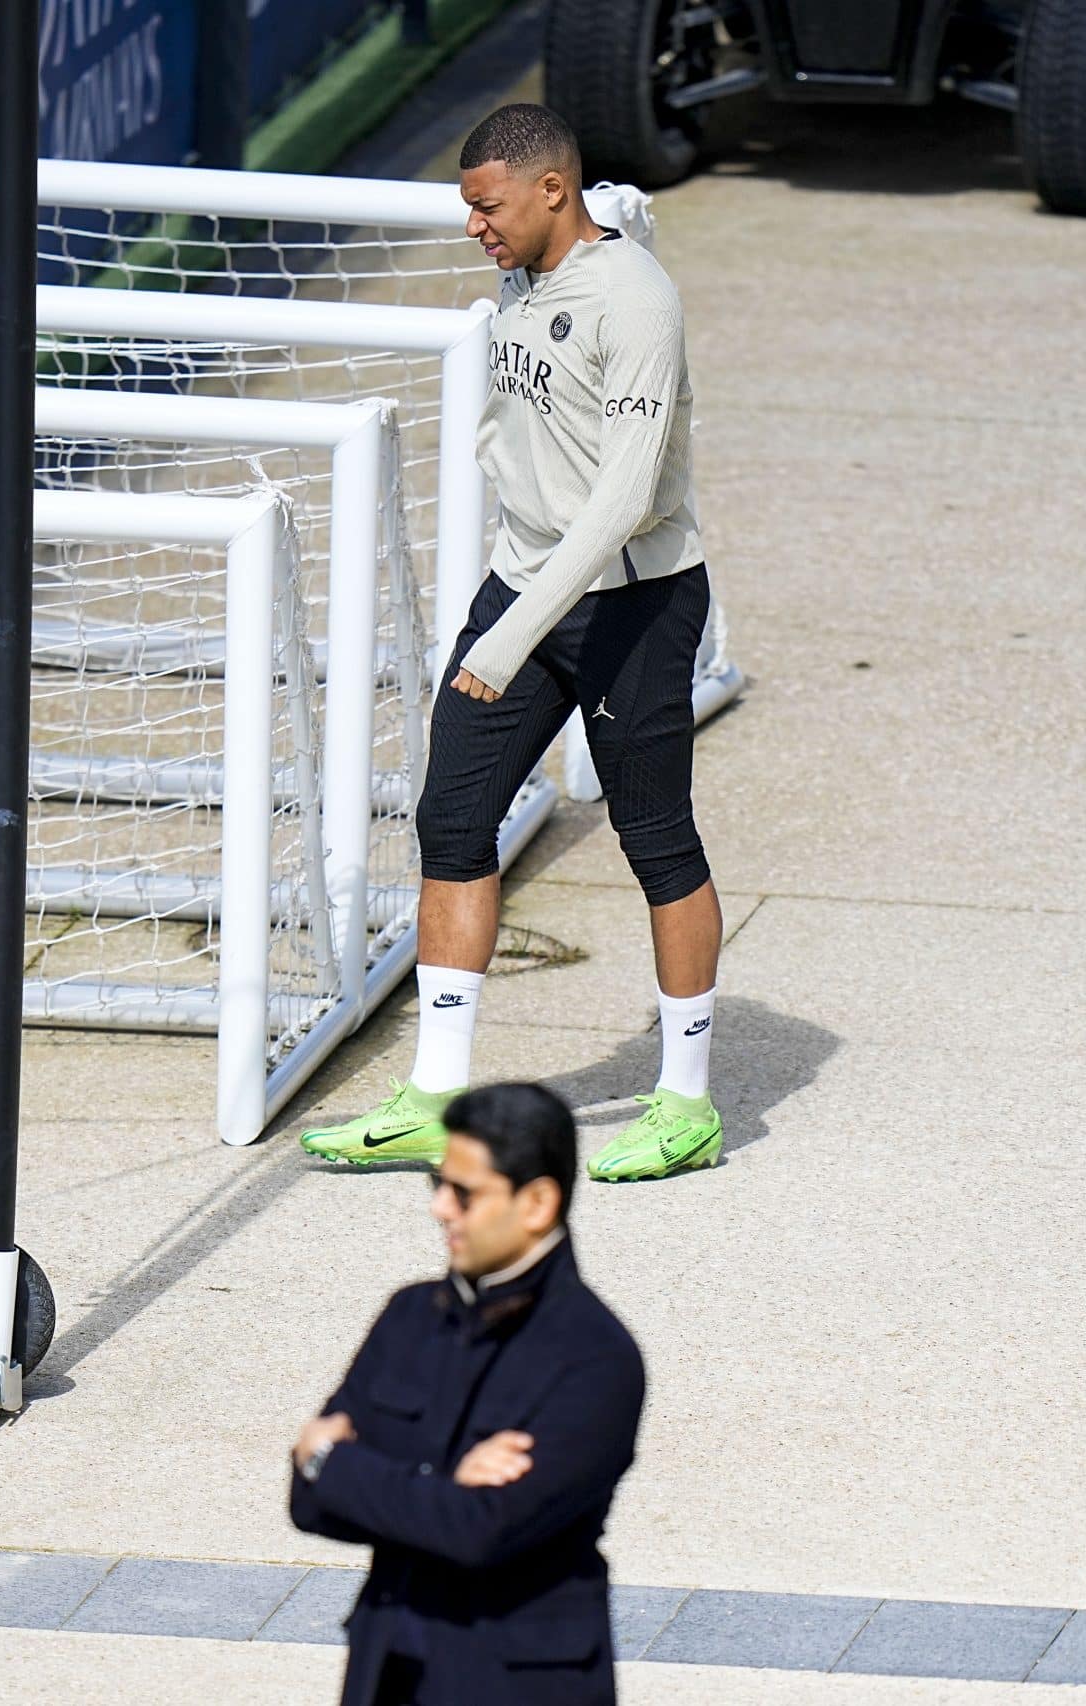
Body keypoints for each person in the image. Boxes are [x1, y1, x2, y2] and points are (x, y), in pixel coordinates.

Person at [300, 102, 724, 1182]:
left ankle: (687, 1103)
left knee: (655, 835)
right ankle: (436, 1100)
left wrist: (507, 637)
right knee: (451, 817)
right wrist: (502, 594)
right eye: (466, 209)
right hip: (523, 587)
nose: (473, 228)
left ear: (549, 190)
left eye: (486, 207)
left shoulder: (636, 302)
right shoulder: (528, 268)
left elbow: (624, 497)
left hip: (633, 600)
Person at [290, 1083, 646, 1705]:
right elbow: (309, 1504)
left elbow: (482, 1532)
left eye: (465, 1193)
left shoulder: (597, 1358)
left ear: (536, 1203)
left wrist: (336, 1460)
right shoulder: (408, 1317)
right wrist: (451, 1485)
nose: (441, 1209)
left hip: (518, 1686)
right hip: (387, 1674)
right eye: (438, 1186)